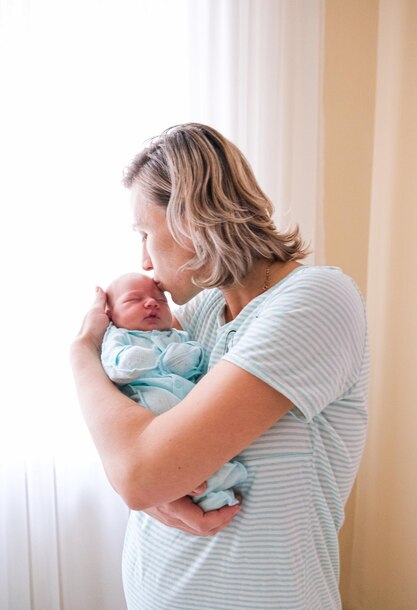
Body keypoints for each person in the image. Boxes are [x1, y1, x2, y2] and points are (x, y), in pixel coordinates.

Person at [70, 122, 369, 610]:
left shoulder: (315, 302)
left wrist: (81, 351)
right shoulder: (205, 310)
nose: (144, 262)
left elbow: (137, 473)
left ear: (191, 218)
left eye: (146, 233)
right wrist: (157, 485)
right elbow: (130, 427)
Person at [101, 271, 247, 512]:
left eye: (160, 301)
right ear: (111, 315)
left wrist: (184, 357)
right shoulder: (118, 337)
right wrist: (140, 358)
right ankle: (201, 489)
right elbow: (116, 366)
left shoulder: (175, 334)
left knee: (200, 446)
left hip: (186, 406)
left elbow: (196, 358)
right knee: (176, 453)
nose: (150, 303)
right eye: (134, 300)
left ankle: (217, 484)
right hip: (150, 405)